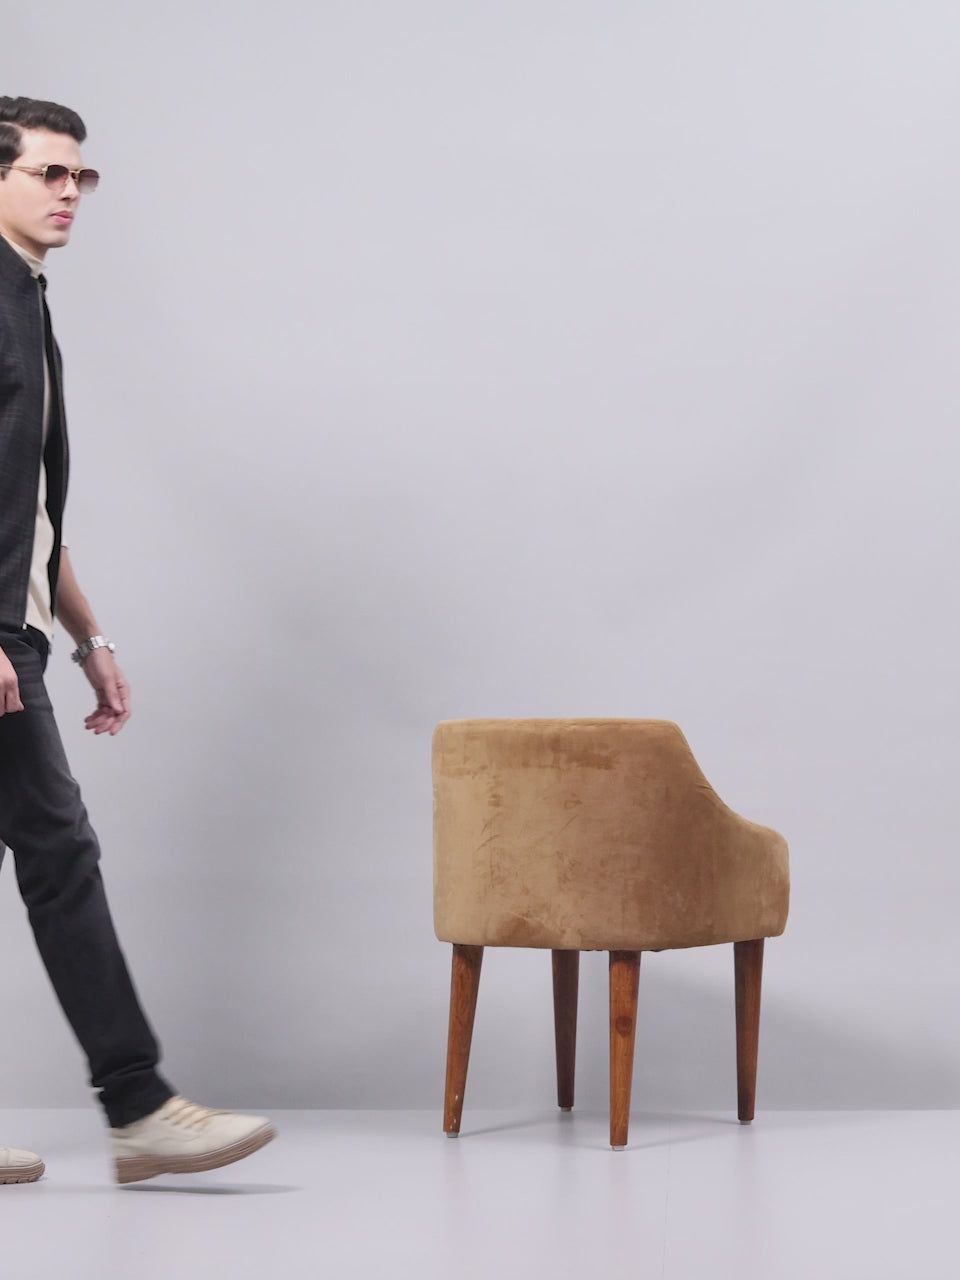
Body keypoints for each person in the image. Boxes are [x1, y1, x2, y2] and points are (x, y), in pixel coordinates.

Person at [0, 96, 274, 1185]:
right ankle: (139, 1104)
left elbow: (27, 512)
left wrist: (87, 633)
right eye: (48, 173)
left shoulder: (26, 298)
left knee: (52, 854)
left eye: (82, 176)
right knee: (59, 852)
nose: (71, 192)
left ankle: (139, 1106)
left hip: (20, 629)